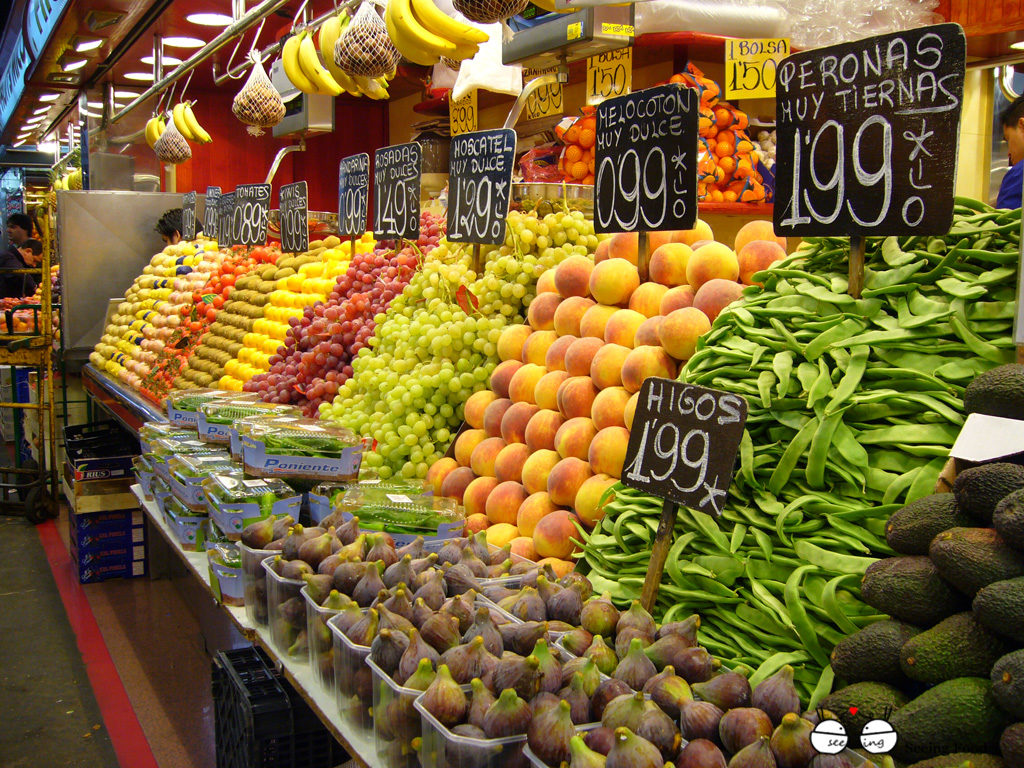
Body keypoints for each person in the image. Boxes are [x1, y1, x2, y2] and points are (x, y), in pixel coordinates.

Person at [997, 95, 1024, 209]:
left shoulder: (1019, 174)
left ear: (1022, 125)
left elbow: (1004, 224)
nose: (1008, 153)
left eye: (1008, 139)